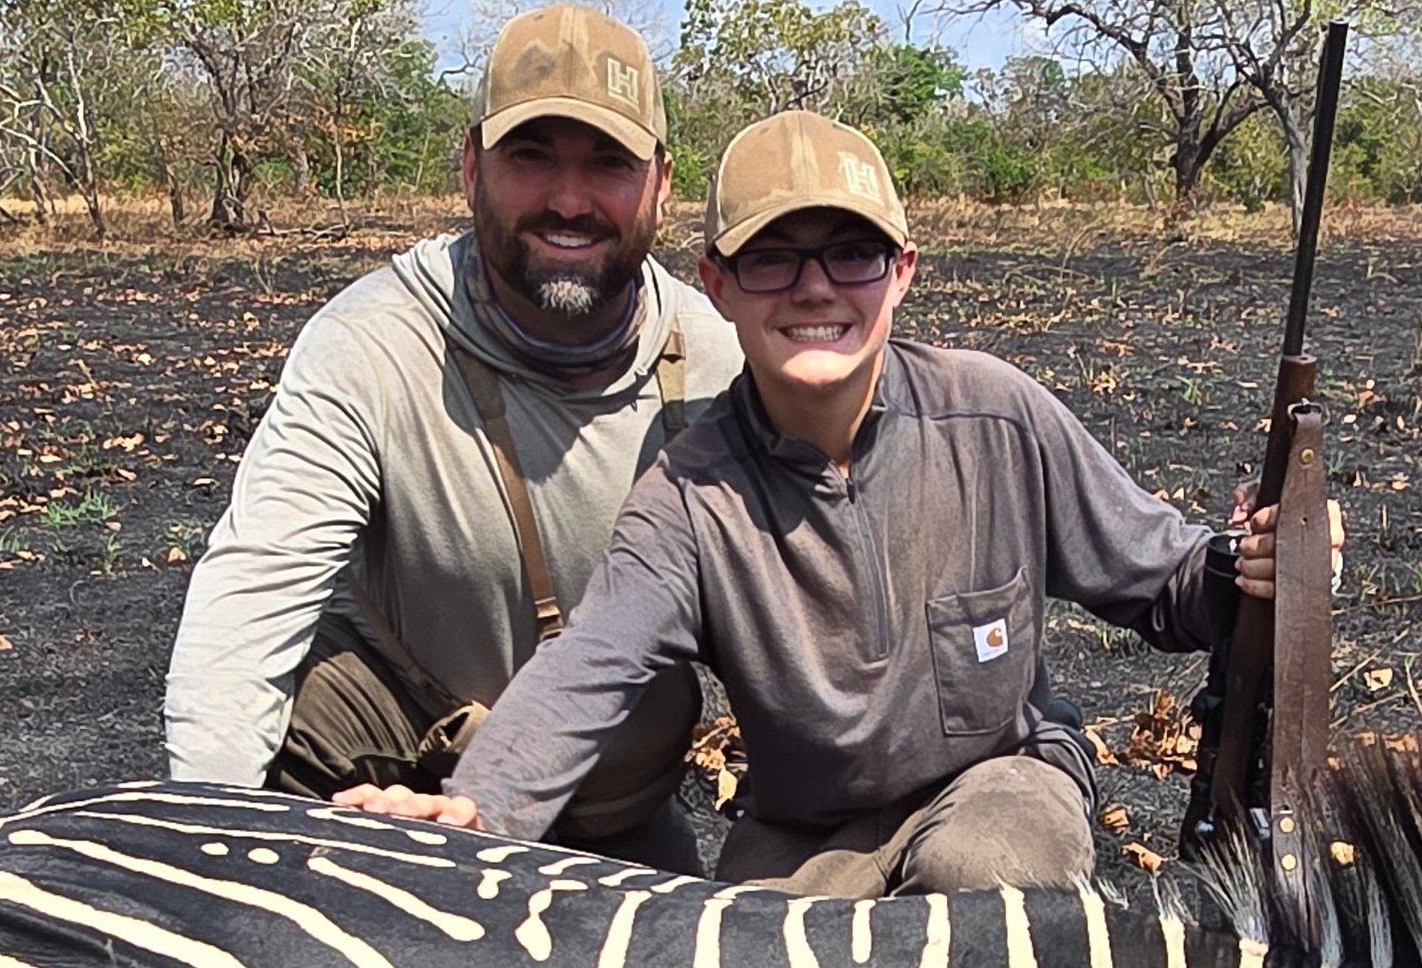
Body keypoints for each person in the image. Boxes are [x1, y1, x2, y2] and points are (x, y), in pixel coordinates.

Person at [338, 112, 1326, 897]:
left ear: (901, 271)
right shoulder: (689, 495)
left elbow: (1171, 586)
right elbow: (585, 673)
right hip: (803, 833)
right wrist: (476, 809)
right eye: (773, 258)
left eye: (849, 254)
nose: (814, 290)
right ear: (717, 287)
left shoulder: (997, 417)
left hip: (999, 782)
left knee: (980, 874)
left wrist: (1265, 557)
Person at [157, 2, 734, 870]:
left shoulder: (723, 358)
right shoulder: (373, 341)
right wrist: (205, 849)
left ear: (661, 183)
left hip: (611, 804)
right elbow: (252, 593)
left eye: (608, 163)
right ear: (470, 168)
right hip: (404, 771)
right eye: (531, 157)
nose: (569, 200)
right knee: (296, 702)